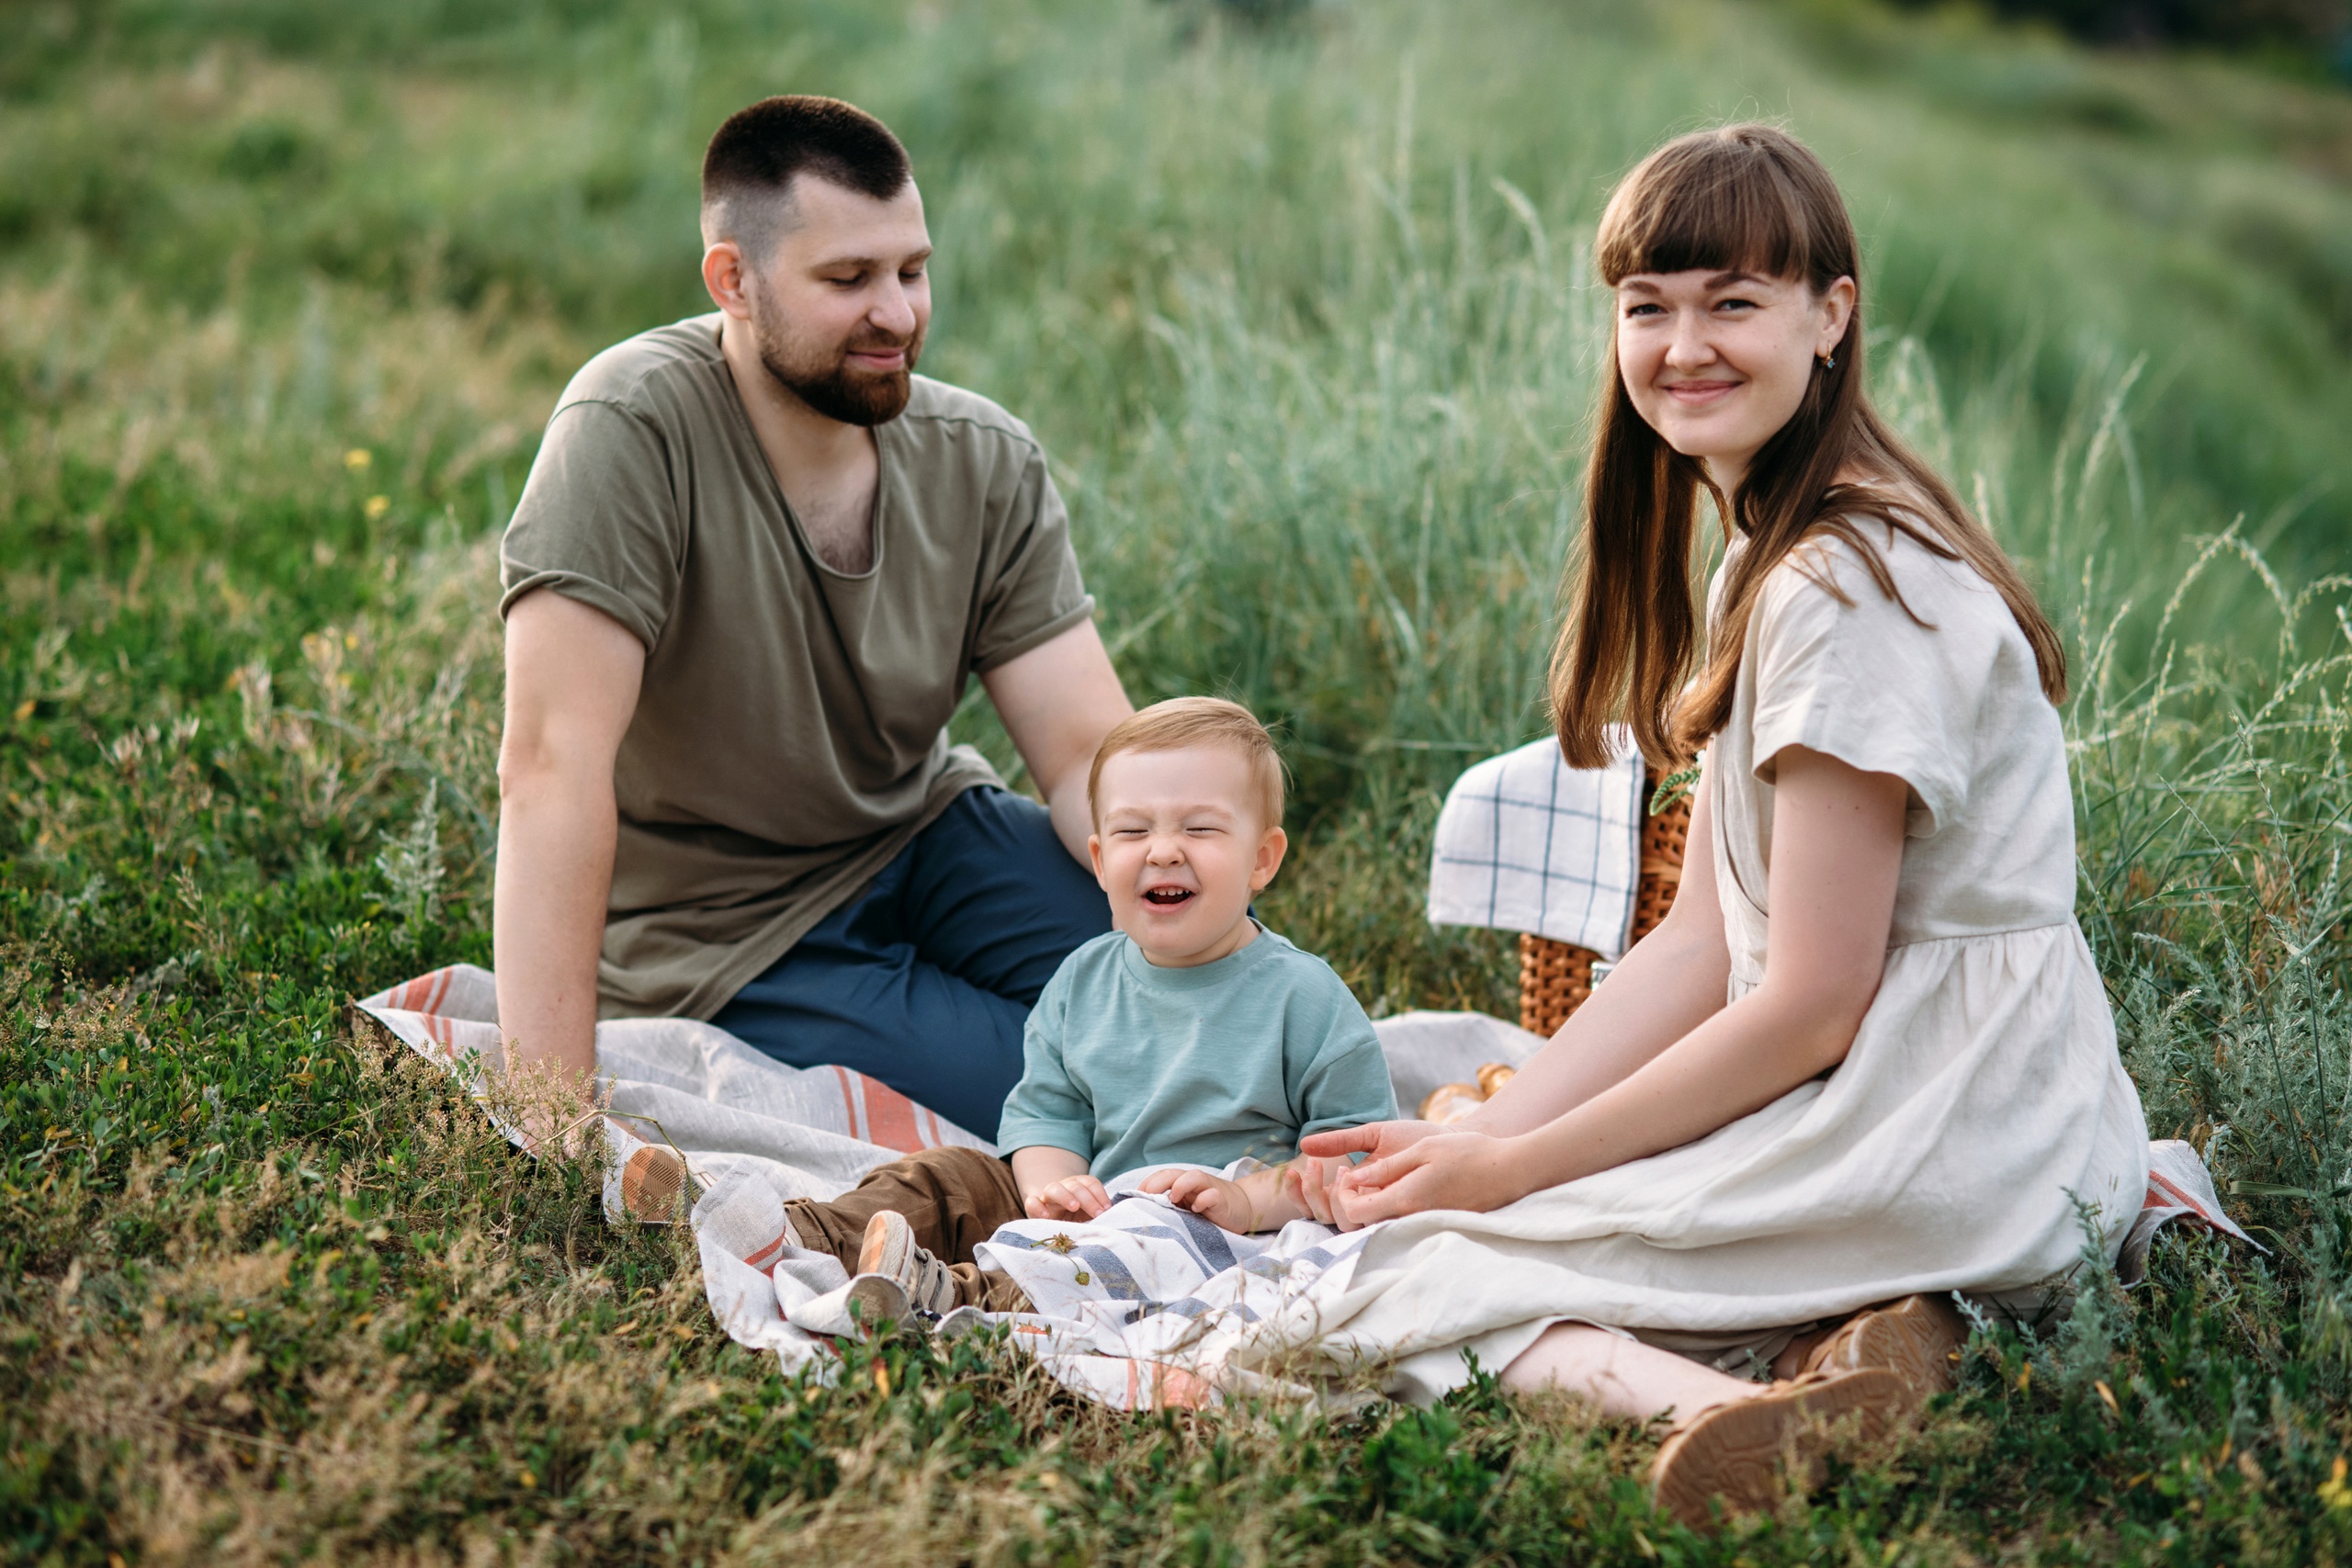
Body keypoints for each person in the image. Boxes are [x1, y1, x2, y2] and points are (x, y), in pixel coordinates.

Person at [1286, 124, 2150, 1526]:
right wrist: (1516, 1124)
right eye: (1648, 306)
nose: (1682, 345)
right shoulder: (1778, 541)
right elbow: (1706, 941)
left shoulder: (1844, 589)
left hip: (1941, 1114)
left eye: (1732, 301)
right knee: (1466, 1194)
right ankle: (1882, 1335)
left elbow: (1809, 1000)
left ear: (1832, 315)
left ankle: (1746, 1413)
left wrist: (1509, 1171)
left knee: (1408, 1275)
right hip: (1961, 1108)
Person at [492, 96, 1132, 1139]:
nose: (898, 314)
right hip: (725, 930)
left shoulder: (984, 457)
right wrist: (549, 1120)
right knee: (1081, 1099)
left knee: (1206, 1017)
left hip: (923, 836)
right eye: (847, 280)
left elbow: (1083, 755)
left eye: (911, 271)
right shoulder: (627, 429)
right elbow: (550, 769)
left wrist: (1198, 938)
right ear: (732, 282)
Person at [765, 698, 1398, 1323]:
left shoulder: (1303, 997)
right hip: (1093, 1206)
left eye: (1199, 828)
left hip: (1210, 1235)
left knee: (1099, 1262)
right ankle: (803, 1233)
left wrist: (1248, 1200)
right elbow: (1049, 1110)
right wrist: (1053, 1189)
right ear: (1099, 860)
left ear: (1261, 858)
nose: (1164, 850)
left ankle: (953, 1296)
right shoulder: (1082, 981)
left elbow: (1359, 1154)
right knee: (950, 1174)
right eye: (1133, 830)